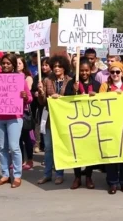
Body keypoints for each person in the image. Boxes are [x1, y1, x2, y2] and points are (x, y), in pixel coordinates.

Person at [0, 53, 32, 188]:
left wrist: (25, 97)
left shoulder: (19, 79)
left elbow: (29, 98)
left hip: (14, 118)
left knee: (14, 147)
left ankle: (17, 175)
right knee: (2, 147)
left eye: (8, 63)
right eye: (3, 63)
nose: (5, 65)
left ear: (13, 65)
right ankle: (5, 175)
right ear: (1, 64)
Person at [99, 61, 123, 195]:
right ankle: (112, 182)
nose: (115, 74)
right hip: (110, 124)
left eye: (117, 72)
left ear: (122, 73)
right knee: (112, 155)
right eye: (112, 72)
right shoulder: (105, 86)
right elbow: (100, 102)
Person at [65, 58, 101, 190]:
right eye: (81, 70)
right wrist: (73, 92)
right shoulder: (71, 83)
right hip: (77, 123)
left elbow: (102, 102)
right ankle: (77, 177)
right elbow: (65, 101)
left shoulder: (96, 84)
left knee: (90, 151)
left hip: (91, 123)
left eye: (86, 70)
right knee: (77, 150)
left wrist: (96, 96)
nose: (84, 73)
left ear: (90, 70)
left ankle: (89, 177)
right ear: (77, 70)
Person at [37, 55, 72, 185]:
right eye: (55, 66)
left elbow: (71, 100)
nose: (56, 68)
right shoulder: (46, 80)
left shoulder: (70, 81)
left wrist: (60, 98)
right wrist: (41, 93)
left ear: (64, 68)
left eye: (59, 66)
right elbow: (41, 102)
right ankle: (47, 174)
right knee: (48, 148)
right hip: (49, 119)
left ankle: (59, 174)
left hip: (63, 120)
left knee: (59, 148)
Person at [31, 57, 52, 153]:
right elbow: (32, 90)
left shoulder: (53, 77)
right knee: (43, 126)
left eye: (46, 65)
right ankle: (42, 144)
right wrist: (35, 92)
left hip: (52, 106)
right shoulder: (38, 78)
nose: (44, 67)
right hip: (42, 107)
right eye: (42, 65)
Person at [17, 56, 34, 170]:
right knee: (16, 139)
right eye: (16, 63)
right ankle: (20, 160)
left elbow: (27, 93)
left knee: (25, 137)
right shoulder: (9, 76)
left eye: (19, 63)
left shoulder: (27, 78)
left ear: (23, 64)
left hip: (23, 111)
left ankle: (30, 160)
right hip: (12, 112)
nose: (17, 65)